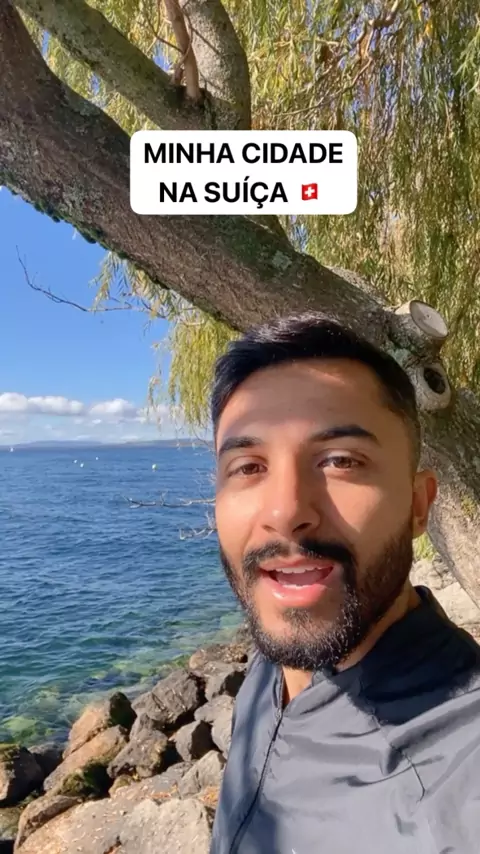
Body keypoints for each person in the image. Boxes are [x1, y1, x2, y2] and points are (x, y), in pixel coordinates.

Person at [209, 312, 480, 854]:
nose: (285, 512)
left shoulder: (459, 787)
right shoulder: (274, 664)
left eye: (339, 461)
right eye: (248, 467)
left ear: (419, 506)